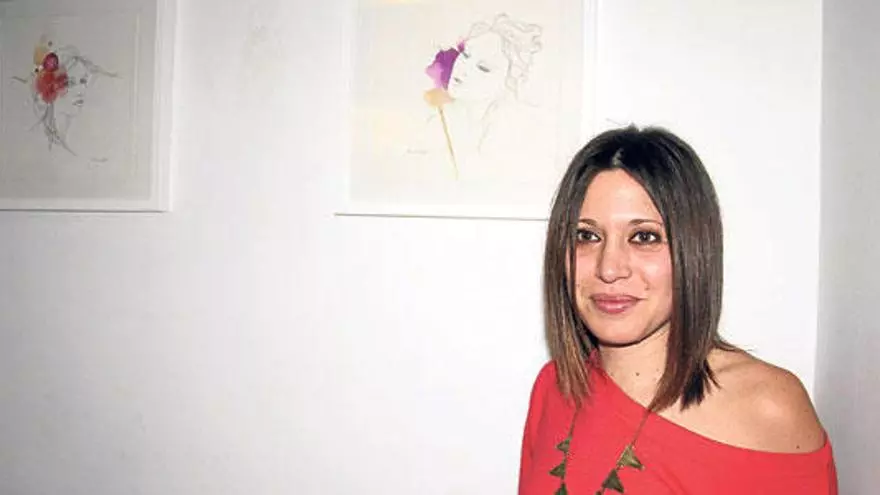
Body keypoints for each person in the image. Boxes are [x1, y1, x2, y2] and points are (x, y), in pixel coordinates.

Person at [518, 126, 837, 494]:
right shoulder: (555, 386)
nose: (609, 268)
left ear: (693, 250)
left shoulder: (768, 407)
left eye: (644, 237)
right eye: (587, 236)